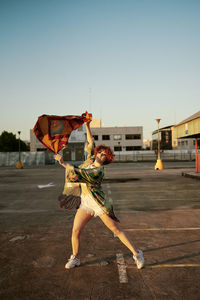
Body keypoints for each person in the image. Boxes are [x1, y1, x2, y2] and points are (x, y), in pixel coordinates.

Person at [54, 120, 144, 269]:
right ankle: (75, 258)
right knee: (75, 230)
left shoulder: (99, 171)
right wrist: (87, 125)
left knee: (116, 230)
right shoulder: (90, 158)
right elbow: (90, 142)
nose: (101, 154)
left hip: (99, 203)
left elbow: (80, 174)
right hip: (85, 203)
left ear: (106, 160)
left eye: (104, 155)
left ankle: (137, 254)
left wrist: (63, 163)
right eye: (101, 152)